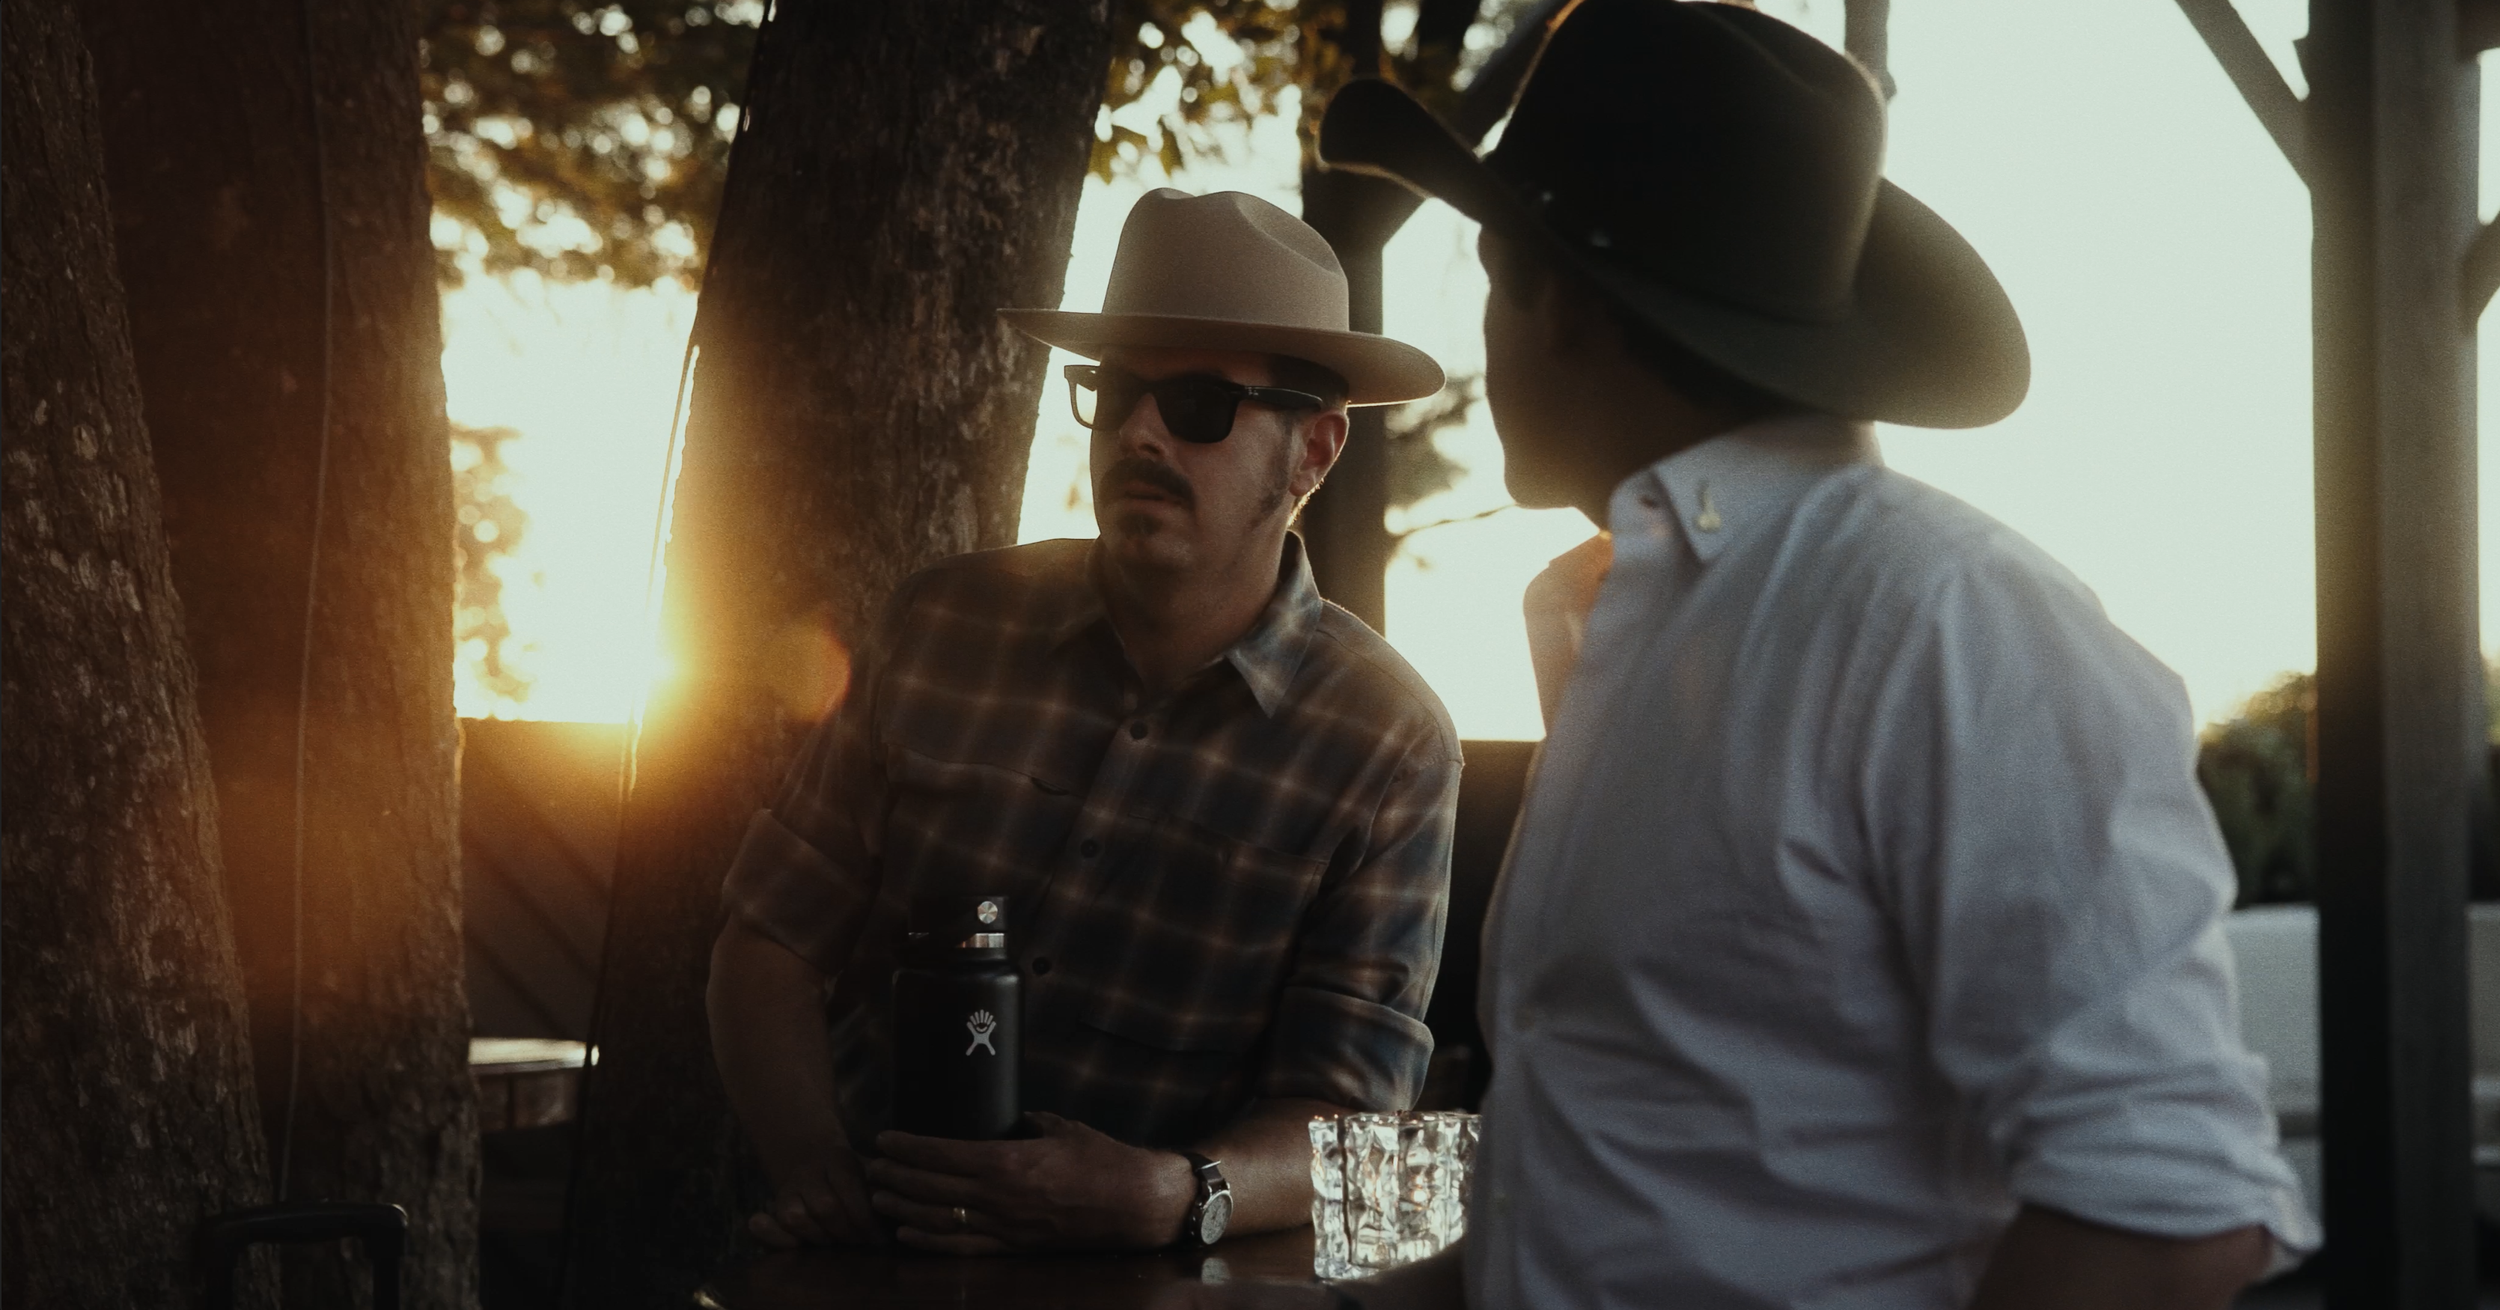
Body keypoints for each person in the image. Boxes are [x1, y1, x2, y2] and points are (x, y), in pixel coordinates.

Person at [1165, 3, 2315, 1308]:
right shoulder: (1650, 620)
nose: (1481, 336)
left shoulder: (1951, 618)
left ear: (1563, 304)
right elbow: (1626, 1201)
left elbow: (2171, 1220)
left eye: (1487, 274)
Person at [705, 187, 1463, 1258]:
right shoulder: (941, 626)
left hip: (1155, 1284)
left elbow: (1352, 1118)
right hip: (872, 1260)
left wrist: (1173, 1193)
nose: (1141, 431)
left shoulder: (1386, 742)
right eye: (1115, 392)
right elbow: (770, 936)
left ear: (1314, 452)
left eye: (1199, 404)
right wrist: (818, 1174)